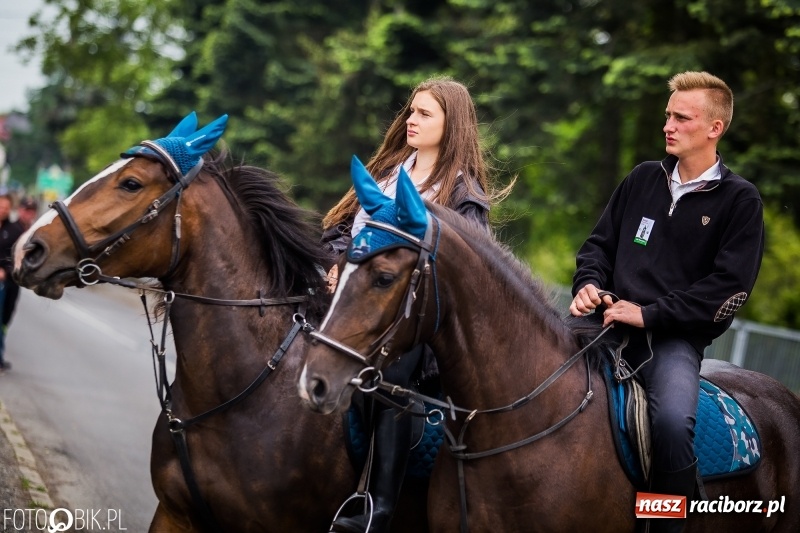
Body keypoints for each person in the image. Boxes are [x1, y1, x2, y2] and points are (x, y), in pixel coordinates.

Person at [569, 71, 764, 533]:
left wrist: (649, 313)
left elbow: (727, 291)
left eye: (682, 117)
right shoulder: (641, 179)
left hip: (672, 344)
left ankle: (665, 526)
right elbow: (597, 246)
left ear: (714, 128)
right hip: (599, 326)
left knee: (674, 425)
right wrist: (588, 284)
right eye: (667, 116)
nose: (668, 126)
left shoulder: (741, 201)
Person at [322, 76, 506, 533]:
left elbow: (465, 282)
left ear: (452, 124)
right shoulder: (387, 169)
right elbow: (339, 230)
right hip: (354, 299)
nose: (411, 120)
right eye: (411, 110)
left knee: (390, 374)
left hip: (418, 330)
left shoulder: (463, 197)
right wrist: (334, 263)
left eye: (425, 113)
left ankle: (377, 506)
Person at [0, 194, 25, 373]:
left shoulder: (15, 230)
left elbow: (18, 257)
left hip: (7, 282)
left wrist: (5, 270)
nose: (3, 210)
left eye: (6, 208)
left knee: (4, 318)